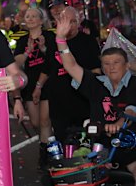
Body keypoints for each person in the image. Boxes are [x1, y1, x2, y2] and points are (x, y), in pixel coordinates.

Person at [56, 13, 136, 179]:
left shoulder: (134, 82)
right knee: (75, 172)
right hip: (100, 146)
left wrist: (120, 123)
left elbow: (131, 109)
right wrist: (60, 39)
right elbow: (71, 65)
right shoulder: (96, 83)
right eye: (106, 64)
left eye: (116, 63)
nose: (111, 67)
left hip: (131, 144)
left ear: (127, 65)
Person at [44, 6, 101, 143]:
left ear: (78, 23)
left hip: (82, 101)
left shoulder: (88, 41)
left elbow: (96, 71)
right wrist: (39, 87)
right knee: (62, 139)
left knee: (85, 141)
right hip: (58, 101)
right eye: (64, 21)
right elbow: (48, 68)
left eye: (72, 21)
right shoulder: (53, 42)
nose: (68, 25)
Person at [13, 8, 55, 167]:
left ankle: (45, 156)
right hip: (30, 85)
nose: (29, 19)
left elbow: (53, 60)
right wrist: (28, 51)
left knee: (45, 121)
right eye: (27, 16)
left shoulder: (49, 36)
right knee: (36, 122)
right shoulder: (22, 40)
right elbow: (16, 64)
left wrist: (43, 48)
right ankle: (49, 142)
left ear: (40, 20)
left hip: (48, 82)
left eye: (33, 16)